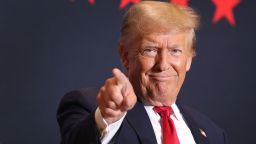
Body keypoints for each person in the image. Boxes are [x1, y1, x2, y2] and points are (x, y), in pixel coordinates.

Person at [57, 1, 228, 144]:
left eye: (175, 51)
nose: (163, 65)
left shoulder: (214, 134)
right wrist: (109, 117)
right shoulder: (89, 107)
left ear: (189, 59)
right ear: (125, 56)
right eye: (150, 50)